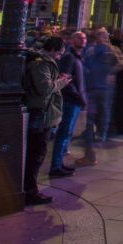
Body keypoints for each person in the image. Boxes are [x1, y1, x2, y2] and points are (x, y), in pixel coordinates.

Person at [24, 36, 69, 205]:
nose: (59, 56)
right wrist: (61, 82)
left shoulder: (41, 62)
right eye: (59, 53)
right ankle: (30, 191)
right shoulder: (41, 63)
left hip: (42, 111)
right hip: (41, 111)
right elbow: (45, 88)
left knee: (36, 152)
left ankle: (29, 188)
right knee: (36, 153)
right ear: (52, 49)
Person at [78, 28, 119, 166]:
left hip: (100, 88)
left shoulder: (109, 50)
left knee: (98, 115)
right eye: (102, 35)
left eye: (105, 35)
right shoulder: (97, 49)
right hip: (95, 87)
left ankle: (97, 140)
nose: (104, 37)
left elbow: (120, 63)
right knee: (93, 117)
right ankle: (93, 143)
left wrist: (111, 73)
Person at [49, 31, 86, 177]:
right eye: (79, 38)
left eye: (84, 38)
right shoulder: (69, 57)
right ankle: (56, 166)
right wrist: (77, 96)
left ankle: (59, 163)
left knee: (68, 132)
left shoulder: (77, 57)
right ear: (71, 40)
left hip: (75, 100)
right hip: (70, 100)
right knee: (64, 132)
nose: (83, 40)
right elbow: (65, 79)